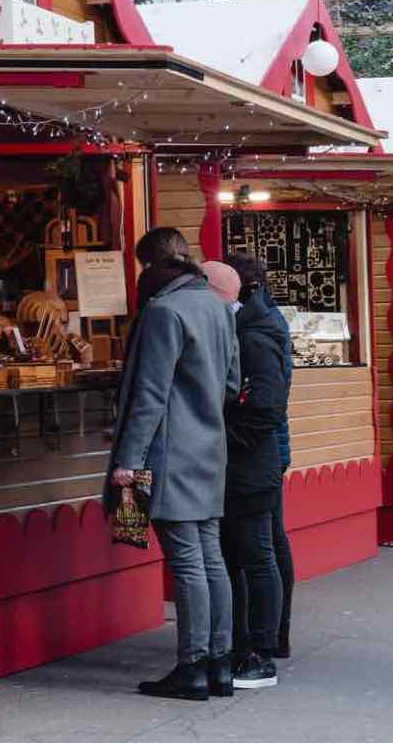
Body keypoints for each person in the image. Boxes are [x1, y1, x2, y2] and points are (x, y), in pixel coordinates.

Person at [106, 228, 241, 700]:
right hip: (209, 447)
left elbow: (150, 393)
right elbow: (231, 382)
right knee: (210, 557)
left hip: (171, 451)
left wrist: (128, 459)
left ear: (150, 265)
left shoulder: (164, 310)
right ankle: (220, 664)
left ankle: (192, 668)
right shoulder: (217, 305)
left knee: (188, 562)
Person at [210, 253, 290, 689]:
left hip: (248, 468)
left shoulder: (252, 338)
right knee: (244, 558)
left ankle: (260, 651)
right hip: (245, 466)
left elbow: (266, 409)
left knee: (256, 557)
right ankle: (248, 646)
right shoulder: (250, 330)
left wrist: (223, 438)